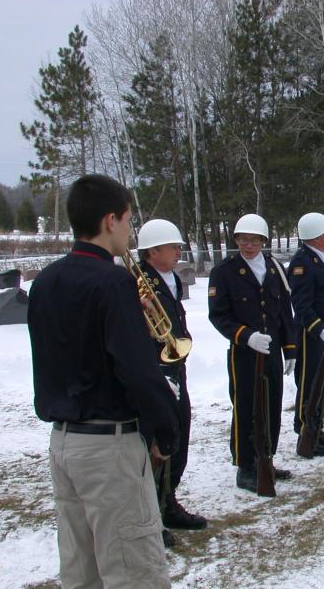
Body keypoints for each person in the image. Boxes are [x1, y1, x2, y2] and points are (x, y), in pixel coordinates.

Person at [28, 174, 179, 589]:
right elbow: (138, 372)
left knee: (82, 570)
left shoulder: (45, 282)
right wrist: (164, 432)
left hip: (63, 441)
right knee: (134, 570)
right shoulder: (114, 282)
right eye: (129, 220)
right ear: (110, 220)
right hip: (108, 447)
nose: (130, 231)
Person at [207, 214, 297, 493]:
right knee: (246, 407)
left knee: (271, 405)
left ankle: (265, 459)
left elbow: (284, 311)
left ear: (263, 241)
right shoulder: (224, 272)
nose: (248, 245)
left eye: (254, 240)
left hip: (270, 352)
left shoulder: (274, 267)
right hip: (244, 354)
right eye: (243, 240)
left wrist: (290, 348)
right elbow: (218, 316)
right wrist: (245, 336)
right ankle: (246, 466)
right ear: (235, 241)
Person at [137, 219, 207, 543]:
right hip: (155, 373)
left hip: (175, 369)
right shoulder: (140, 281)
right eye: (173, 246)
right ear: (153, 251)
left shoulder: (169, 279)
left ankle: (168, 501)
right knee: (157, 445)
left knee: (179, 435)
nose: (179, 250)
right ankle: (151, 514)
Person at [288, 213, 324, 457]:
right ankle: (306, 431)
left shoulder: (319, 259)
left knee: (322, 383)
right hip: (311, 334)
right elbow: (301, 305)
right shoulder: (303, 263)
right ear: (316, 236)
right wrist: (320, 329)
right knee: (310, 382)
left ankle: (317, 427)